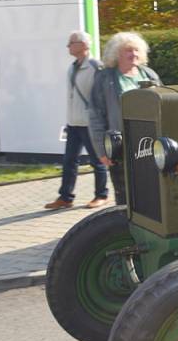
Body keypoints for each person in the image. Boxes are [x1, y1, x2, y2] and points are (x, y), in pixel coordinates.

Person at [89, 32, 163, 205]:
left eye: (137, 50)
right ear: (117, 54)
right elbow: (95, 115)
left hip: (150, 144)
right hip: (121, 146)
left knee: (152, 190)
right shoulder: (105, 78)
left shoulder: (150, 74)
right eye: (128, 50)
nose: (134, 54)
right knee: (125, 196)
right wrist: (102, 150)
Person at [44, 32, 109, 210]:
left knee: (97, 160)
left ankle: (101, 195)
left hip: (90, 123)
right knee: (69, 161)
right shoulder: (72, 67)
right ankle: (65, 198)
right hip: (73, 123)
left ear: (82, 44)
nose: (68, 46)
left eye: (71, 43)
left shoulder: (95, 66)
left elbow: (101, 95)